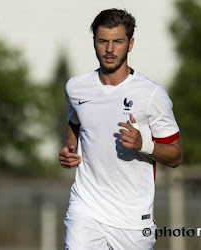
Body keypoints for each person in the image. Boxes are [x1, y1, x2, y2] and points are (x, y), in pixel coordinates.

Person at [59, 8, 183, 250]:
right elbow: (75, 122)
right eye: (102, 41)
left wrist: (143, 144)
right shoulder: (76, 88)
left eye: (117, 41)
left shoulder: (152, 95)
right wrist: (69, 149)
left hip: (132, 219)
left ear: (130, 44)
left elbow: (176, 156)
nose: (109, 49)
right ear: (94, 42)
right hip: (87, 207)